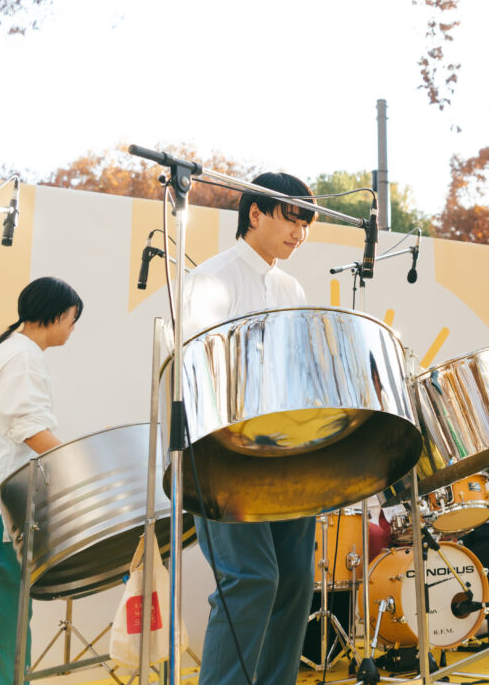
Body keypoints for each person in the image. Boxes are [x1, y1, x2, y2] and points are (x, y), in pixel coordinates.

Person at [183, 172, 317, 685]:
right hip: (226, 451)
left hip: (286, 449)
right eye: (291, 218)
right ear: (255, 214)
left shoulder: (291, 287)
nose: (300, 233)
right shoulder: (211, 279)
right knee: (251, 579)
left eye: (307, 223)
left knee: (295, 582)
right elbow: (197, 370)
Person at [0, 277, 82, 685]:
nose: (72, 328)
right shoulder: (24, 356)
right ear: (58, 314)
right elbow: (31, 430)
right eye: (73, 319)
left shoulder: (0, 350)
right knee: (1, 637)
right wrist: (79, 468)